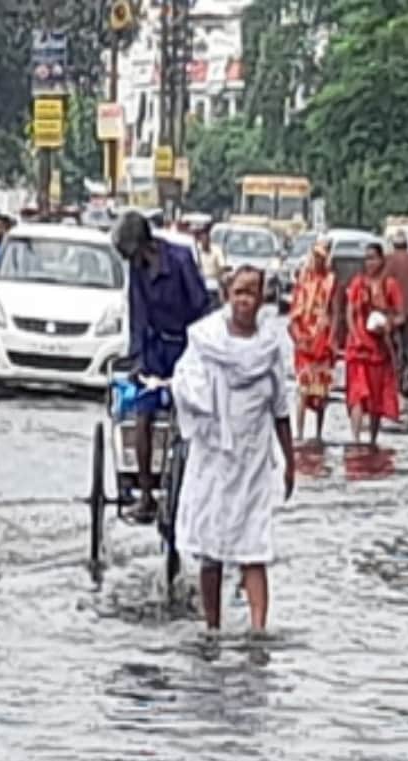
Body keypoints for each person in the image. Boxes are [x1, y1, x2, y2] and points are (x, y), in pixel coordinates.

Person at [172, 266, 297, 632]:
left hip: (253, 459)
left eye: (252, 293)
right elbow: (187, 383)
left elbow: (280, 408)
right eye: (239, 292)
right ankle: (213, 627)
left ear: (262, 299)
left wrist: (290, 460)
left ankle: (258, 631)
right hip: (214, 457)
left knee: (253, 546)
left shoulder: (269, 348)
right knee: (211, 549)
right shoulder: (205, 341)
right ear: (227, 294)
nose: (244, 300)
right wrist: (202, 404)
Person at [114, 211, 213, 522]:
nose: (138, 261)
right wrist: (138, 359)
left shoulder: (181, 260)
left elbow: (200, 308)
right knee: (142, 413)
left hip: (186, 346)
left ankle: (194, 490)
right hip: (155, 350)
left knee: (190, 417)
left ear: (148, 245)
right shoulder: (136, 269)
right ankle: (146, 495)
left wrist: (202, 355)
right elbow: (137, 315)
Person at [344, 243, 404, 444]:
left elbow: (401, 315)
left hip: (379, 351)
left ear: (381, 260)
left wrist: (387, 325)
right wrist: (355, 335)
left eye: (373, 258)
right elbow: (350, 312)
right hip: (358, 349)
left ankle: (372, 439)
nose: (369, 263)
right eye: (367, 258)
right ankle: (355, 439)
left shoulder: (390, 285)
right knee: (357, 393)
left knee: (376, 398)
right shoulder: (357, 283)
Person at [286, 237, 336, 441]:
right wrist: (298, 337)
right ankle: (298, 432)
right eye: (315, 257)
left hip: (322, 342)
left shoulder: (331, 281)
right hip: (305, 342)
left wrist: (332, 337)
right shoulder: (303, 281)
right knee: (304, 388)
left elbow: (335, 312)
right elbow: (293, 315)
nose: (318, 261)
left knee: (322, 392)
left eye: (321, 258)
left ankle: (318, 433)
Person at [381, 229, 408, 395]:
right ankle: (405, 377)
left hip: (392, 313)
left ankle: (395, 377)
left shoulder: (387, 260)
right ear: (406, 245)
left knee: (392, 347)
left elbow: (381, 284)